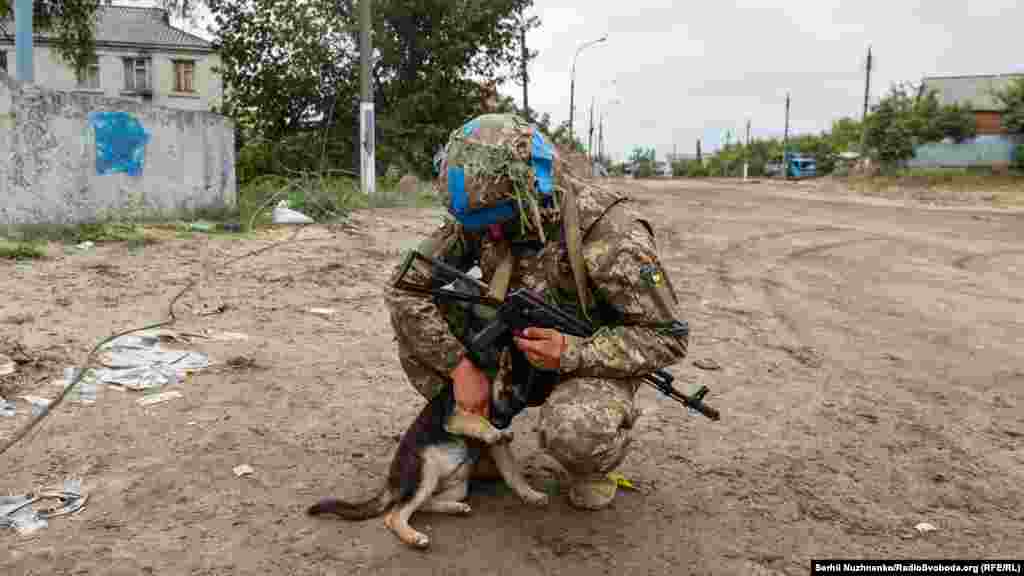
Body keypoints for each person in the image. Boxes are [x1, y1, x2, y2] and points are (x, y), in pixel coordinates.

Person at [386, 113, 688, 510]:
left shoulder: (613, 233)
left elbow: (668, 337)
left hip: (586, 360)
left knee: (576, 431)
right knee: (418, 331)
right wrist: (459, 367)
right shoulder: (483, 207)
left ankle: (592, 466)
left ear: (534, 192)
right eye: (479, 224)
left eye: (498, 222)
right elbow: (403, 287)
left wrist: (572, 352)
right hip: (514, 350)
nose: (489, 234)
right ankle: (479, 445)